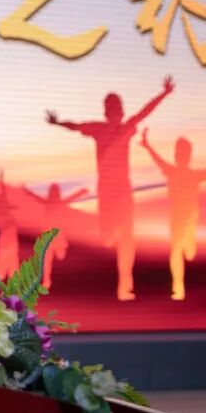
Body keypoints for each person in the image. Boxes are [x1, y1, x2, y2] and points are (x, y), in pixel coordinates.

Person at [46, 76, 175, 300]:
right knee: (108, 238)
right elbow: (76, 126)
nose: (115, 111)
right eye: (112, 107)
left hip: (121, 191)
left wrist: (164, 93)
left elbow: (144, 112)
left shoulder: (117, 128)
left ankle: (124, 286)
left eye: (116, 107)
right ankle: (111, 271)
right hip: (109, 192)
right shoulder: (102, 128)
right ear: (111, 111)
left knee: (127, 238)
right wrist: (58, 123)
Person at [141, 128, 206, 301]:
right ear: (176, 155)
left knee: (189, 253)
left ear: (189, 156)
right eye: (179, 153)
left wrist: (147, 145)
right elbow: (158, 160)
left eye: (184, 153)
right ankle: (178, 289)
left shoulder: (194, 175)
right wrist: (147, 145)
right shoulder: (172, 171)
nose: (181, 156)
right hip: (176, 220)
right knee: (176, 252)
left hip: (190, 221)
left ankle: (189, 250)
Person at [21, 182, 90, 289]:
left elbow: (71, 197)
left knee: (58, 256)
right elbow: (36, 197)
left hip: (57, 235)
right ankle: (47, 280)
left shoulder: (54, 203)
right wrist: (26, 191)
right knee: (46, 259)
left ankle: (58, 256)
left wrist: (81, 192)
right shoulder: (49, 202)